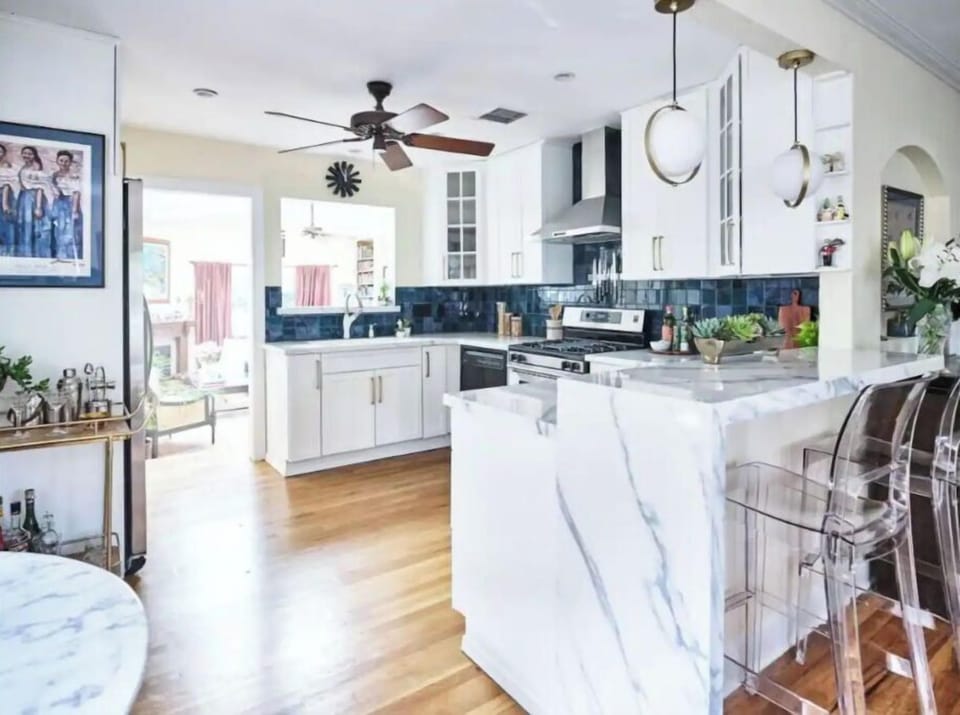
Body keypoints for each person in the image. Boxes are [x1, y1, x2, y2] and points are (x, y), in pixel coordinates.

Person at [49, 149, 83, 260]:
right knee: (58, 231)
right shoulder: (54, 175)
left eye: (66, 161)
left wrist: (75, 210)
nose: (64, 163)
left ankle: (71, 257)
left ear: (70, 162)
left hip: (70, 203)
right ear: (57, 161)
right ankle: (60, 256)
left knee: (71, 232)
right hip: (58, 205)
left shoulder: (74, 176)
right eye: (61, 160)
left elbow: (76, 192)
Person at [15, 145, 48, 258]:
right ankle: (24, 254)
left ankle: (33, 255)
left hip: (33, 198)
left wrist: (38, 207)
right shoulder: (24, 166)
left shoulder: (36, 167)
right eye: (24, 153)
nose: (27, 155)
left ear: (34, 155)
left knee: (32, 225)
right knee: (23, 225)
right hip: (23, 197)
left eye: (30, 153)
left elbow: (39, 188)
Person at [0, 143, 16, 257]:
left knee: (5, 224)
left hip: (3, 196)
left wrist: (5, 204)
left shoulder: (6, 167)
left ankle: (7, 253)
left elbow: (7, 185)